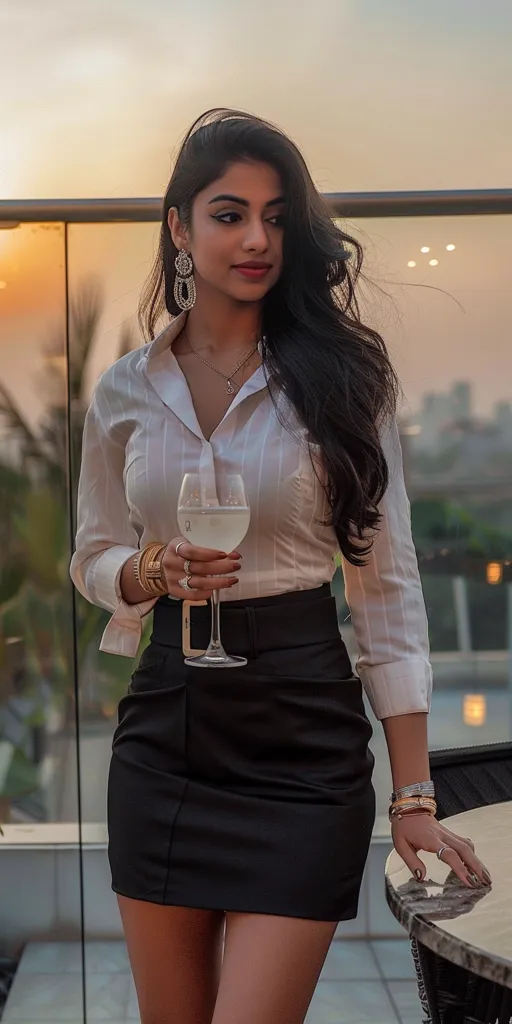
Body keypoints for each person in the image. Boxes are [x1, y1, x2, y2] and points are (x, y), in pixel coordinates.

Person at [69, 108, 491, 1024]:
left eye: (274, 215)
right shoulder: (124, 390)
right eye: (229, 213)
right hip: (166, 726)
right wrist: (147, 572)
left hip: (303, 736)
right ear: (179, 227)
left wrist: (413, 794)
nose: (256, 237)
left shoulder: (345, 378)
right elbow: (93, 557)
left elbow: (387, 590)